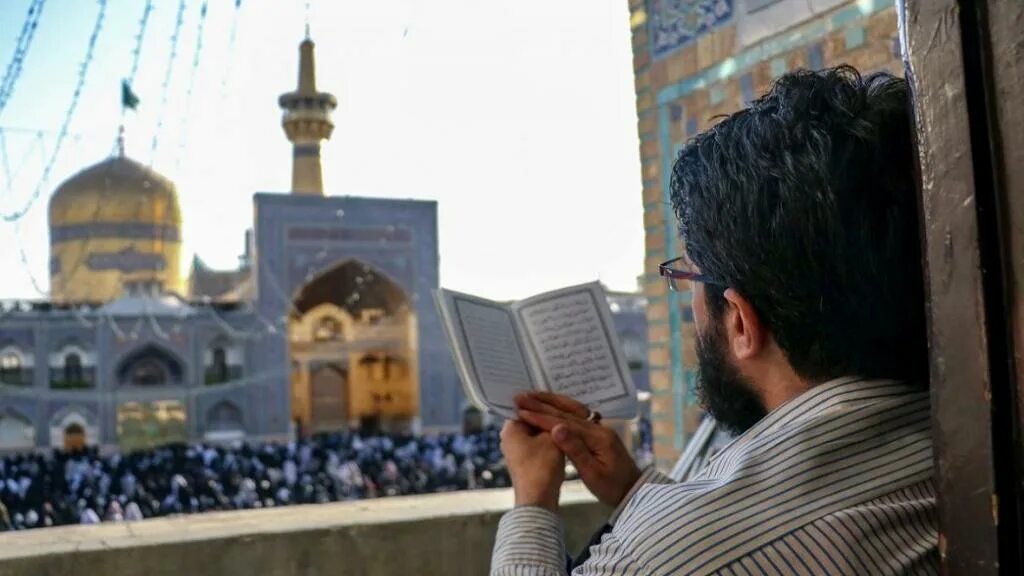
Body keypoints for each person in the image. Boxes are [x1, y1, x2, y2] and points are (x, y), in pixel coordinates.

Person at [491, 66, 936, 575]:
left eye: (688, 277)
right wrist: (635, 492)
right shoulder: (967, 439)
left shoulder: (656, 557)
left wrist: (532, 504)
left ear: (742, 322)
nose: (692, 309)